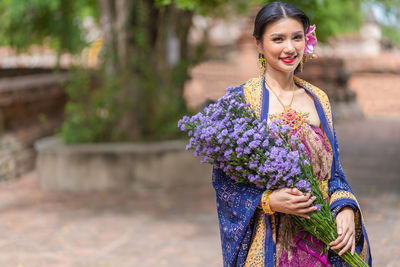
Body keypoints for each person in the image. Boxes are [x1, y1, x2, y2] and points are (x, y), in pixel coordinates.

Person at [212, 2, 372, 266]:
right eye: (278, 39)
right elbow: (225, 184)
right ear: (258, 43)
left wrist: (345, 207)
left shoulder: (318, 99)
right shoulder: (242, 103)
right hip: (271, 244)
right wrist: (269, 200)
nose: (290, 48)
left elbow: (335, 174)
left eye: (297, 37)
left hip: (325, 241)